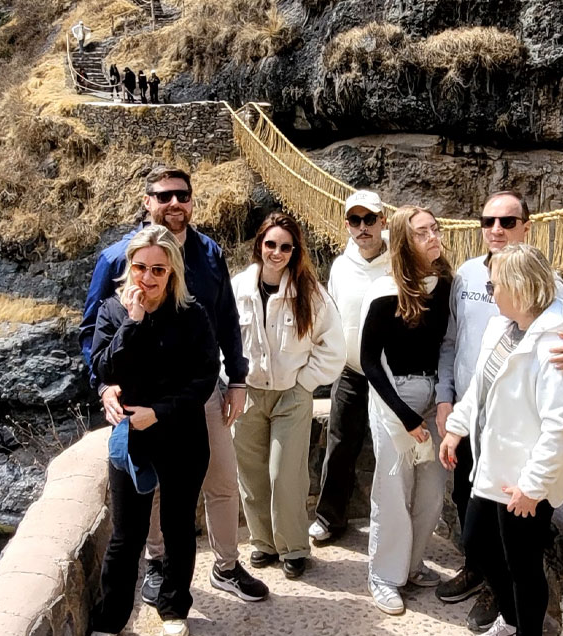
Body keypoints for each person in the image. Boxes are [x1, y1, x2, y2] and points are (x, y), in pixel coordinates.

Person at [79, 166, 269, 610]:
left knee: (222, 478)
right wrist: (103, 386)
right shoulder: (118, 258)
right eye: (163, 196)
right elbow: (93, 332)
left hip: (198, 389)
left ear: (192, 200)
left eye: (182, 195)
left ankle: (226, 565)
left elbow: (225, 320)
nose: (174, 204)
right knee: (153, 488)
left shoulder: (208, 252)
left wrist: (237, 378)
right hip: (143, 398)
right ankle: (158, 563)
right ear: (147, 202)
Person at [434, 190, 563, 632]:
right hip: (478, 425)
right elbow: (455, 345)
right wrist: (452, 412)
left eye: (507, 221)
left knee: (516, 548)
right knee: (473, 521)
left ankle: (511, 618)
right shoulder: (469, 276)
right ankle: (481, 578)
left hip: (518, 447)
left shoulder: (549, 289)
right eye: (488, 221)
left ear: (526, 226)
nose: (496, 229)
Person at [439, 243, 563, 636]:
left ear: (519, 288)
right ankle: (511, 617)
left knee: (522, 566)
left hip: (525, 479)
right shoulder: (504, 327)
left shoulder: (555, 344)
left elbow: (560, 426)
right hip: (493, 467)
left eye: (494, 285)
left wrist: (533, 486)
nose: (490, 292)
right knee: (478, 543)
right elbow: (479, 388)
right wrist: (456, 428)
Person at [85, 225, 221, 636]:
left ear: (172, 271)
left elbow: (204, 379)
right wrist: (133, 321)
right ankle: (110, 620)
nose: (147, 277)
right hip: (132, 438)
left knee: (178, 527)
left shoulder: (192, 314)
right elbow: (106, 370)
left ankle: (174, 608)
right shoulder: (113, 311)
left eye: (158, 270)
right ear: (130, 267)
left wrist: (158, 412)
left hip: (181, 434)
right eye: (140, 267)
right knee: (127, 533)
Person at [232, 212, 345, 580]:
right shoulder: (237, 289)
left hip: (291, 395)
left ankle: (293, 547)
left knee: (286, 475)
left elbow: (333, 346)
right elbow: (220, 340)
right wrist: (232, 380)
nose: (277, 253)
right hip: (248, 394)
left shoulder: (309, 293)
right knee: (251, 474)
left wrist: (305, 382)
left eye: (285, 247)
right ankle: (263, 542)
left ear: (295, 251)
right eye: (271, 244)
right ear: (259, 245)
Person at [359, 205, 451, 615]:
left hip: (435, 396)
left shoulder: (444, 285)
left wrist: (443, 399)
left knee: (431, 492)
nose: (433, 237)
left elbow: (447, 344)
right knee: (394, 491)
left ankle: (411, 566)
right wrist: (405, 415)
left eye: (435, 229)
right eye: (421, 233)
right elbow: (369, 361)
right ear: (403, 242)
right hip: (396, 397)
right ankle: (384, 576)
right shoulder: (385, 292)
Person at [309, 190, 390, 545]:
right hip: (352, 371)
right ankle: (329, 517)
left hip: (390, 374)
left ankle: (392, 527)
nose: (363, 227)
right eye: (355, 220)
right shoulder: (341, 266)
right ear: (347, 225)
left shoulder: (399, 261)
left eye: (369, 219)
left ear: (383, 221)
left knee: (393, 450)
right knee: (340, 444)